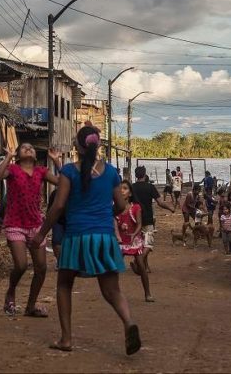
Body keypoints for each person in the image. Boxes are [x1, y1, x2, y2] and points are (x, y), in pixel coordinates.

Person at [30, 124, 141, 355]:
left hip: (76, 236)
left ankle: (66, 339)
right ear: (98, 145)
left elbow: (58, 206)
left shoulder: (69, 171)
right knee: (112, 290)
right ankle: (129, 322)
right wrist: (104, 216)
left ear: (77, 147)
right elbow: (121, 206)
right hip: (104, 237)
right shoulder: (111, 172)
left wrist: (41, 233)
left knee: (64, 284)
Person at [0, 143, 61, 317]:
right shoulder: (13, 169)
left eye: (31, 147)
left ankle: (31, 306)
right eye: (24, 148)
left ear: (35, 154)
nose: (29, 148)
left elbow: (62, 182)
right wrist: (8, 156)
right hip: (15, 224)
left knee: (42, 268)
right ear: (18, 154)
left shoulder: (41, 171)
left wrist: (57, 161)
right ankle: (11, 291)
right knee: (21, 265)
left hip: (36, 224)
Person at [130, 166, 174, 278]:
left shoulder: (132, 188)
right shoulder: (150, 187)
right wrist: (170, 208)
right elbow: (160, 203)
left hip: (135, 219)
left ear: (135, 175)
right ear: (144, 175)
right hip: (147, 219)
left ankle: (145, 266)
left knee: (140, 244)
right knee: (148, 244)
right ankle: (137, 263)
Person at [115, 181, 153, 302]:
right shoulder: (116, 208)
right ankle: (115, 294)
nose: (122, 191)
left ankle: (147, 293)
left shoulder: (136, 207)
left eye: (125, 188)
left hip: (134, 240)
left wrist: (134, 234)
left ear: (130, 193)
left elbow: (140, 224)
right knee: (114, 268)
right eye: (120, 188)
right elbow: (114, 223)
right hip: (121, 241)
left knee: (141, 266)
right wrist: (117, 236)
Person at [47, 189, 66, 267]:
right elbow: (50, 210)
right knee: (57, 241)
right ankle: (60, 262)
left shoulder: (77, 192)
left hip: (73, 220)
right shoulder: (55, 194)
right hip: (58, 221)